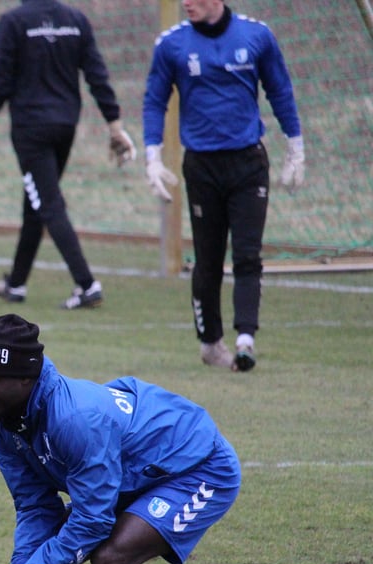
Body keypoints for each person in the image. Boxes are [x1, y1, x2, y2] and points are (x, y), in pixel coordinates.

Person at [0, 314, 241, 564]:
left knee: (110, 559)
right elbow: (34, 504)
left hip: (199, 469)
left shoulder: (74, 421)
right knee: (45, 549)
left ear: (25, 378)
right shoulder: (3, 422)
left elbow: (93, 521)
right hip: (131, 477)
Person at [142, 0, 304, 372]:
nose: (186, 3)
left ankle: (245, 339)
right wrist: (152, 156)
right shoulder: (171, 45)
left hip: (248, 164)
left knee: (247, 255)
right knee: (209, 259)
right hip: (201, 167)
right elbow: (154, 100)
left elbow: (280, 90)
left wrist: (296, 145)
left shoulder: (256, 35)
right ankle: (211, 342)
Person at [0, 0, 136, 309]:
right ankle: (16, 284)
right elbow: (97, 75)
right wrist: (114, 123)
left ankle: (86, 284)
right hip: (65, 126)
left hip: (31, 129)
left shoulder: (13, 21)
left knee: (48, 204)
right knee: (35, 202)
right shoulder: (76, 20)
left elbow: (0, 80)